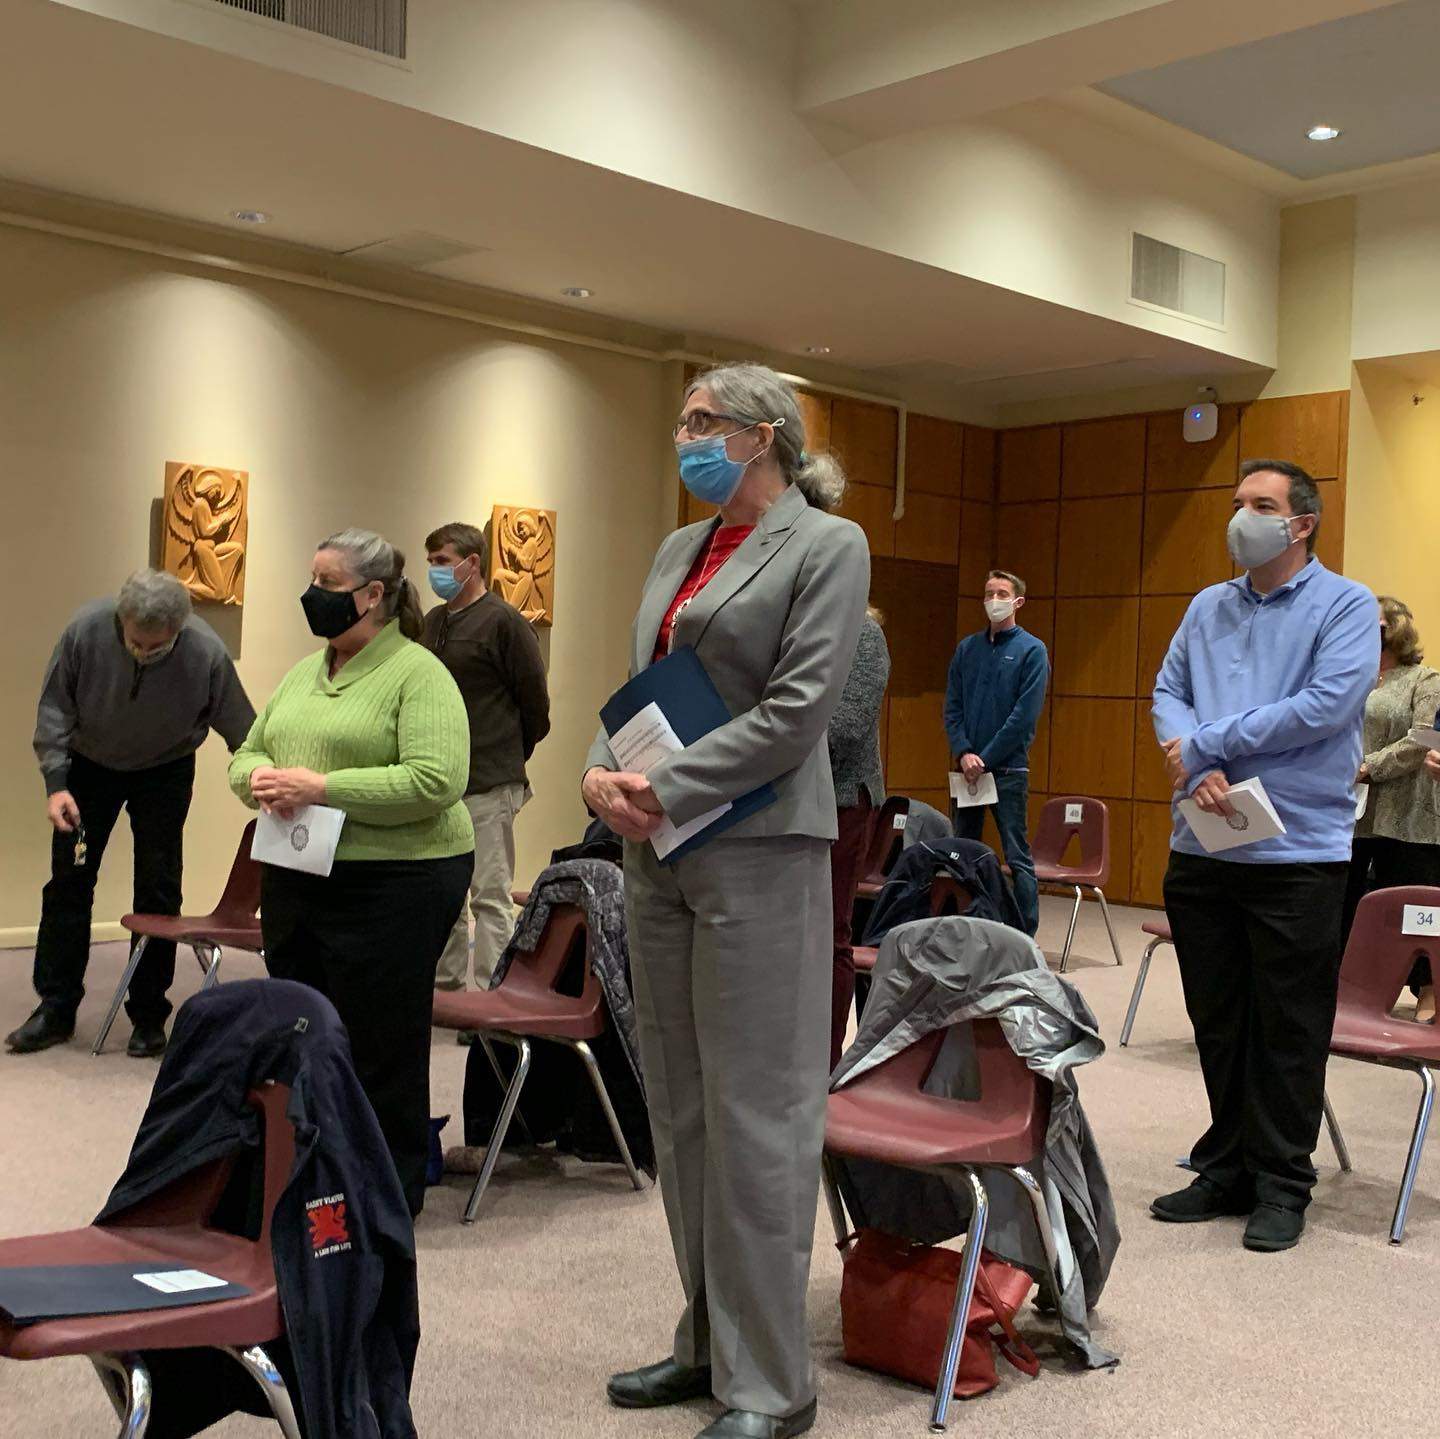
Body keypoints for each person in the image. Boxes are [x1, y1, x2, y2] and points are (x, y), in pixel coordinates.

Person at [583, 363, 868, 1439]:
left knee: (759, 1114)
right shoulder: (677, 549)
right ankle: (707, 1338)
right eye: (684, 419)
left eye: (705, 420)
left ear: (765, 434)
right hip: (660, 850)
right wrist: (600, 769)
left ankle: (771, 1384)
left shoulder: (828, 544)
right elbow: (643, 683)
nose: (686, 436)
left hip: (760, 848)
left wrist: (667, 785)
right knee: (683, 1105)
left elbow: (798, 712)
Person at [1150, 459, 1378, 1253]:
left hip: (1296, 851)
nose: (1241, 515)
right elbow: (1168, 692)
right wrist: (1197, 764)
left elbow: (1325, 707)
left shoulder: (1346, 605)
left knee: (1288, 1024)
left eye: (1261, 504)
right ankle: (1227, 1166)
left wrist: (1207, 744)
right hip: (1204, 838)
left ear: (1301, 523)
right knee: (1219, 1018)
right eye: (1237, 501)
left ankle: (1283, 1180)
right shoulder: (1207, 605)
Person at [229, 528, 473, 1216]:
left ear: (372, 596)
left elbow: (436, 780)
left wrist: (323, 787)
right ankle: (311, 1174)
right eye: (313, 580)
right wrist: (260, 779)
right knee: (301, 1028)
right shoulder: (305, 673)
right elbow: (247, 753)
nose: (313, 595)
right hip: (300, 869)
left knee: (379, 1040)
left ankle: (386, 1196)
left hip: (398, 878)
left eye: (328, 584)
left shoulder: (419, 674)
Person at [8, 570, 254, 1059]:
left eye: (156, 647)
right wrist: (56, 784)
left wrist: (259, 780)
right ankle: (55, 1008)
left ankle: (148, 1015)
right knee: (69, 883)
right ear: (122, 619)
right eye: (135, 642)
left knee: (159, 889)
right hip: (88, 768)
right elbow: (54, 709)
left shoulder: (205, 652)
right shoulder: (85, 631)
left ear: (178, 631)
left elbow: (242, 729)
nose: (142, 652)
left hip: (165, 769)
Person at [423, 522, 551, 989]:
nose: (434, 570)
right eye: (431, 562)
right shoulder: (433, 622)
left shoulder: (504, 622)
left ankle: (492, 997)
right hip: (441, 779)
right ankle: (447, 988)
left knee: (489, 895)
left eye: (442, 561)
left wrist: (506, 756)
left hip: (490, 780)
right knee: (445, 896)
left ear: (471, 563)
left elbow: (535, 705)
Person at [1342, 596, 1440, 1020]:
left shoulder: (1425, 678)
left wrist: (1369, 766)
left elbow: (1425, 738)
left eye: (1375, 623)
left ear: (1396, 628)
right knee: (1347, 902)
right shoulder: (1354, 677)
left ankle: (1428, 991)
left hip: (1410, 814)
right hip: (1355, 810)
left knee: (1414, 907)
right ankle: (1349, 988)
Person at [942, 569, 1049, 935]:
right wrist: (964, 752)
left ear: (1018, 601)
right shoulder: (967, 649)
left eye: (1002, 593)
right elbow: (952, 707)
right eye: (989, 593)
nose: (993, 600)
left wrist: (984, 758)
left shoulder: (1032, 650)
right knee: (962, 853)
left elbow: (1023, 717)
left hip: (1007, 772)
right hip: (967, 770)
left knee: (1016, 856)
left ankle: (1024, 935)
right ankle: (966, 926)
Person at [826, 605, 890, 1069]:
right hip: (790, 802)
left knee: (831, 934)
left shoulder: (864, 633)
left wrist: (769, 733)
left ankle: (824, 1065)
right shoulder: (794, 624)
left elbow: (846, 728)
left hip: (844, 799)